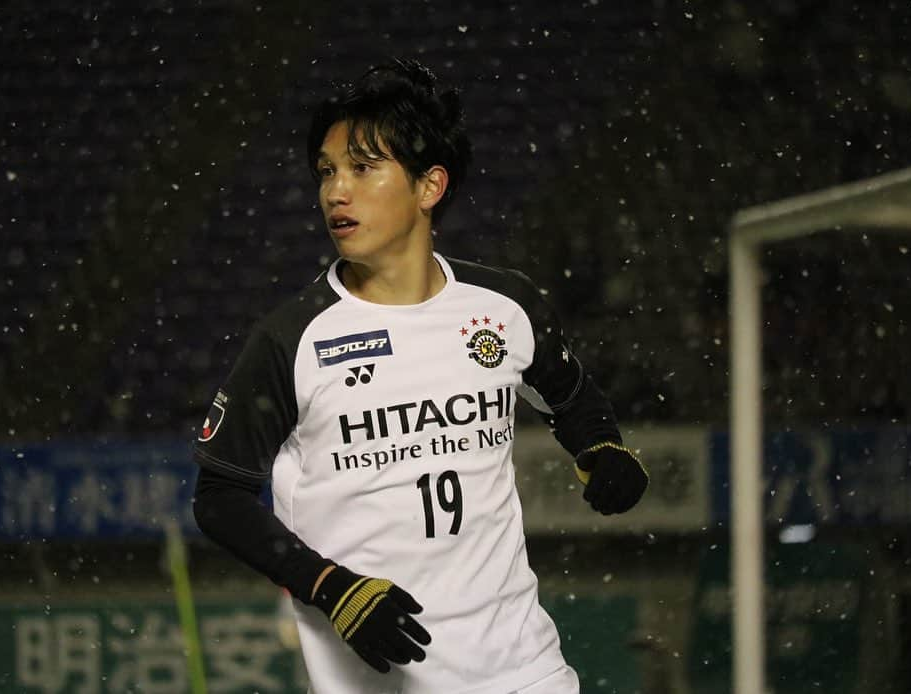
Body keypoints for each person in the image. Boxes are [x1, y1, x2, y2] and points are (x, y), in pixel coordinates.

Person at [192, 58, 649, 694]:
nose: (335, 191)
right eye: (327, 171)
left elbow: (571, 395)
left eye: (362, 167)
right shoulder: (290, 339)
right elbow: (220, 497)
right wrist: (332, 588)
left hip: (525, 670)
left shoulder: (505, 306)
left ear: (429, 186)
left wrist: (601, 446)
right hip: (379, 679)